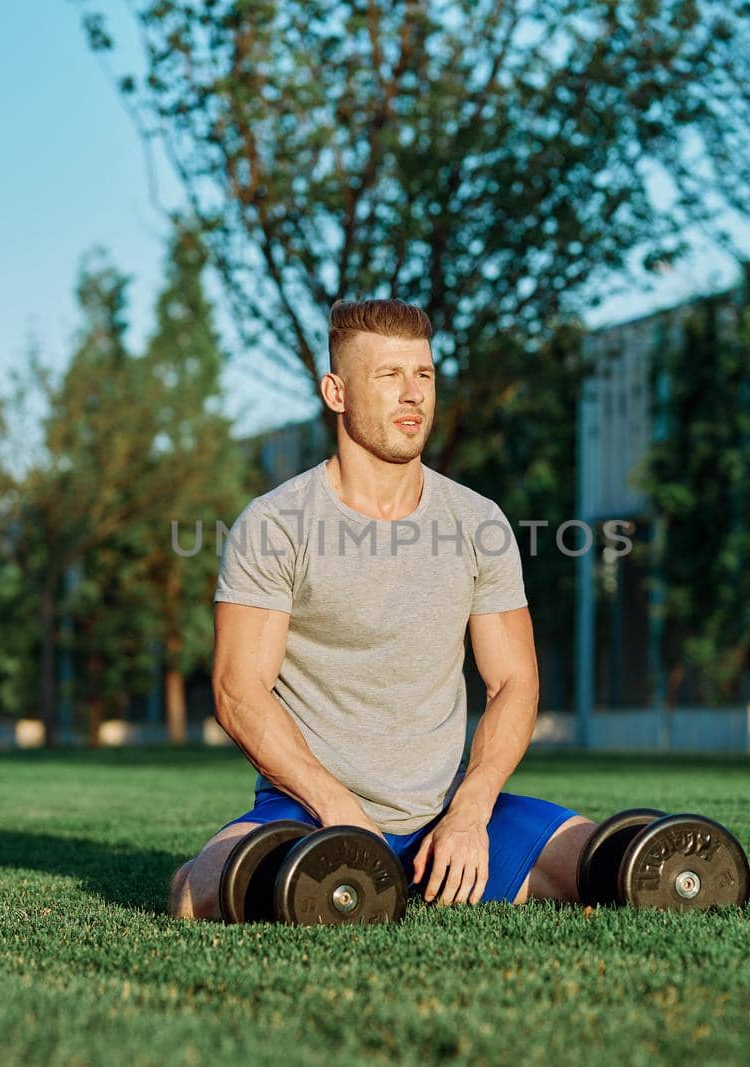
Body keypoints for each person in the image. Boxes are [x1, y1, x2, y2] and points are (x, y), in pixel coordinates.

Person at [168, 298, 596, 918]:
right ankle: (340, 870)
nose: (412, 395)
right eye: (388, 376)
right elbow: (239, 693)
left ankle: (438, 869)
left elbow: (514, 683)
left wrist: (472, 810)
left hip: (448, 814)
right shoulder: (274, 524)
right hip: (311, 812)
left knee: (620, 864)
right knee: (197, 894)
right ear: (336, 392)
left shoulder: (479, 522)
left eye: (422, 376)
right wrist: (339, 812)